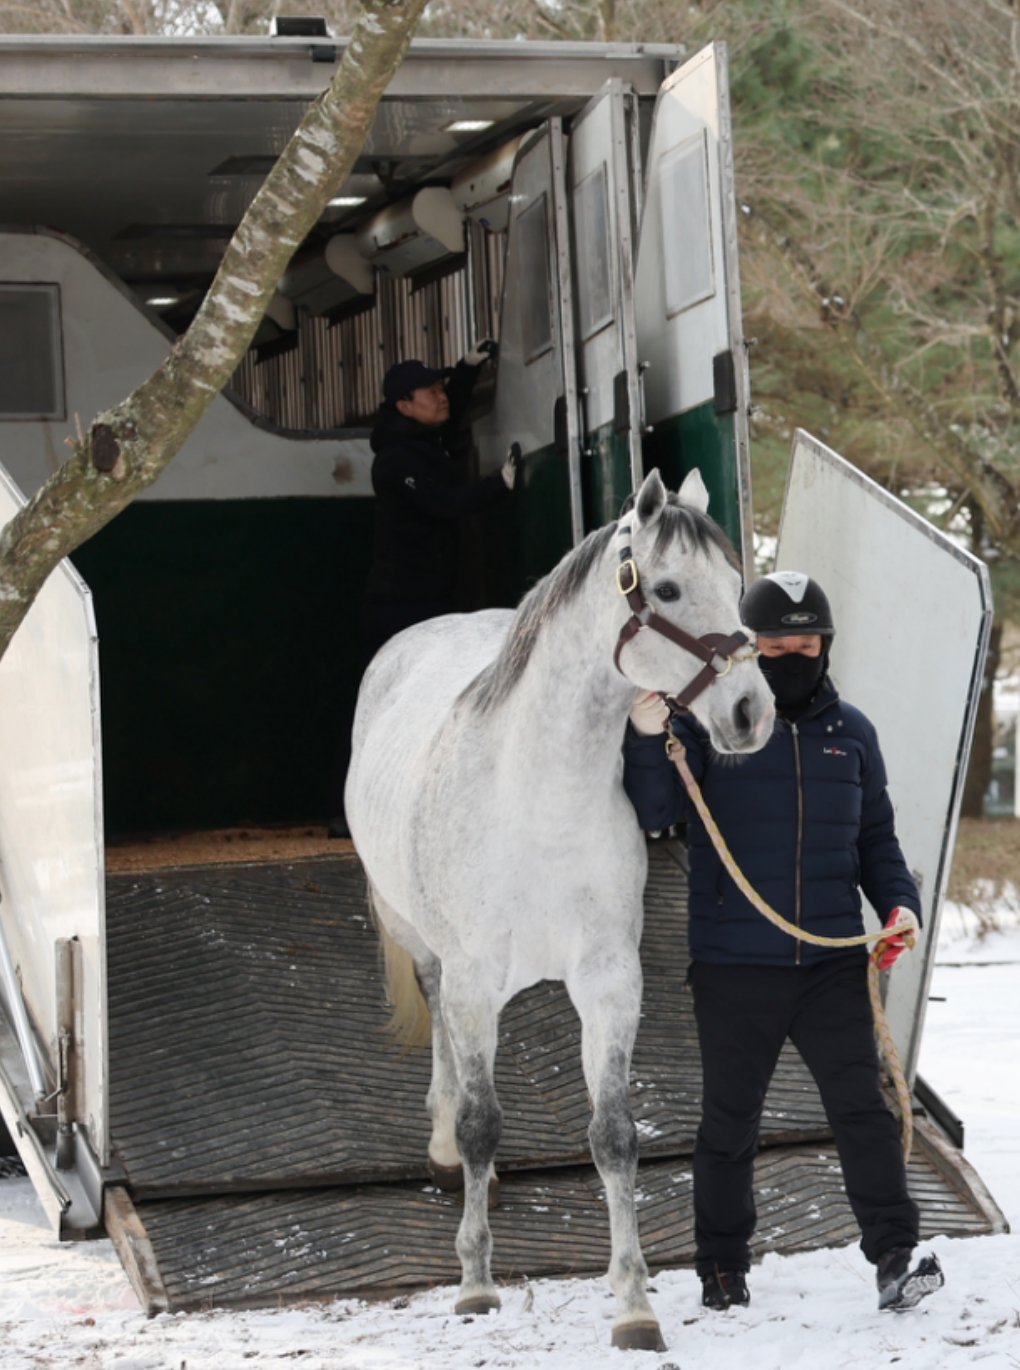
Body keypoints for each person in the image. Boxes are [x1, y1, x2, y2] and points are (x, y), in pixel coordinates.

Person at [622, 570, 944, 1314]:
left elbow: (876, 840)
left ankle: (895, 1256)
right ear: (749, 647)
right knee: (730, 1122)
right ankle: (722, 1267)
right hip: (735, 965)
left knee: (863, 1109)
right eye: (775, 642)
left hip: (830, 961)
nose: (792, 654)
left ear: (825, 645)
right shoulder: (712, 724)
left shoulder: (853, 734)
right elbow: (657, 811)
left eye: (805, 641)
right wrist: (648, 740)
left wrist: (899, 904)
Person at [327, 341, 521, 837]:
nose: (441, 397)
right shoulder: (397, 461)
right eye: (429, 391)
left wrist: (466, 370)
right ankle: (355, 810)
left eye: (440, 387)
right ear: (403, 406)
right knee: (388, 705)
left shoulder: (418, 439)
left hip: (425, 597)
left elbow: (448, 416)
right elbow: (444, 503)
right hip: (400, 604)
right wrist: (500, 485)